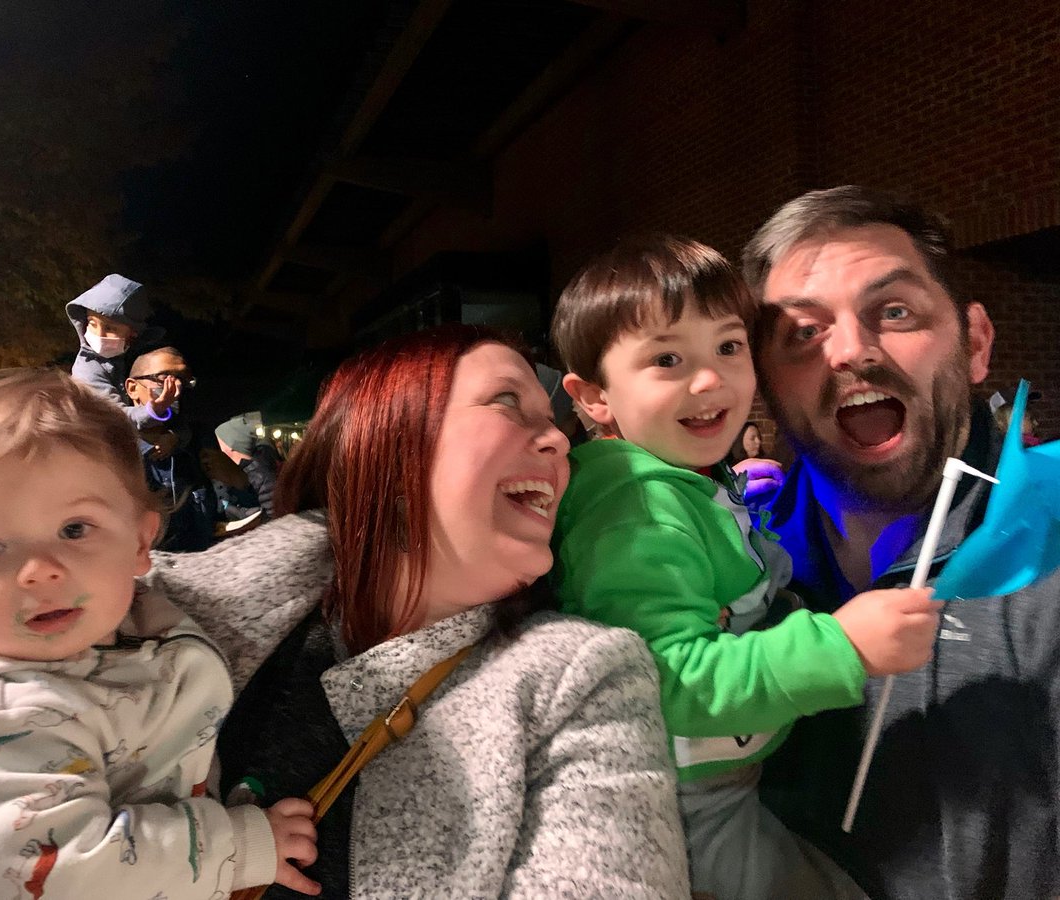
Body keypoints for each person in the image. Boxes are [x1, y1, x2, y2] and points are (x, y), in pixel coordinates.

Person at [146, 325, 690, 897]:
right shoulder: (177, 617)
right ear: (386, 438)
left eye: (553, 419)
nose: (558, 439)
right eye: (508, 401)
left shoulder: (584, 677)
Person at [549, 234, 941, 900]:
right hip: (685, 807)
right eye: (667, 358)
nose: (710, 380)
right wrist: (839, 646)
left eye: (729, 347)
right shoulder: (638, 510)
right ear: (593, 398)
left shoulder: (689, 480)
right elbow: (669, 682)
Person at [0, 369, 318, 898]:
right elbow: (60, 872)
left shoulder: (131, 625)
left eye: (74, 530)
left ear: (141, 542)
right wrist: (237, 847)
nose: (38, 570)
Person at [741, 185, 1060, 899]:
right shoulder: (730, 573)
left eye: (894, 312)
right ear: (763, 383)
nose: (851, 352)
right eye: (803, 332)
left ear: (975, 345)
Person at [125, 347, 259, 551]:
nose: (177, 387)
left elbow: (236, 515)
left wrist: (239, 481)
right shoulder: (112, 452)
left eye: (184, 379)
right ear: (133, 388)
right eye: (164, 377)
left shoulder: (198, 442)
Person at [66, 273, 177, 431]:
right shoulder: (87, 369)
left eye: (110, 328)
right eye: (92, 323)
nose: (99, 334)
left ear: (133, 333)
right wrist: (154, 411)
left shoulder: (144, 355)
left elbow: (175, 406)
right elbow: (115, 418)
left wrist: (173, 434)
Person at [215, 412, 281, 518]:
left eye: (220, 443)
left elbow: (275, 516)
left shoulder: (261, 476)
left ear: (231, 446)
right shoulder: (236, 471)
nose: (218, 449)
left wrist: (245, 515)